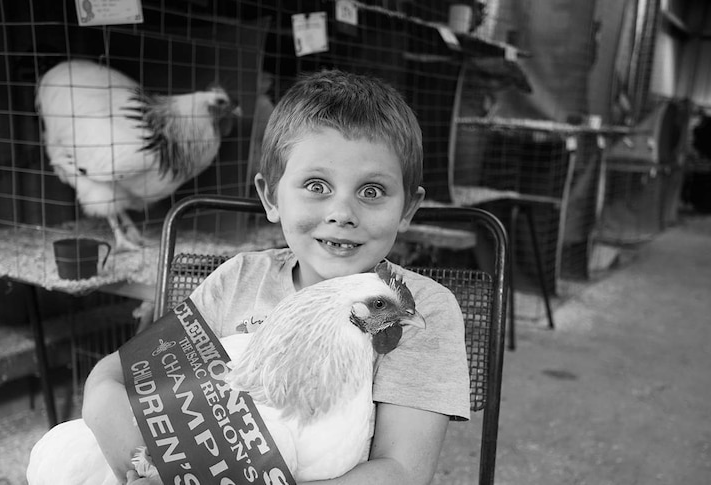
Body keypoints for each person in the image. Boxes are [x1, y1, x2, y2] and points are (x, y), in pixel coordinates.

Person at [82, 69, 470, 484]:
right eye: (316, 185)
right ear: (271, 197)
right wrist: (141, 462)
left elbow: (403, 473)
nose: (342, 213)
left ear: (408, 209)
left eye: (371, 191)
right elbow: (114, 378)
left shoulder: (417, 308)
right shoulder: (238, 280)